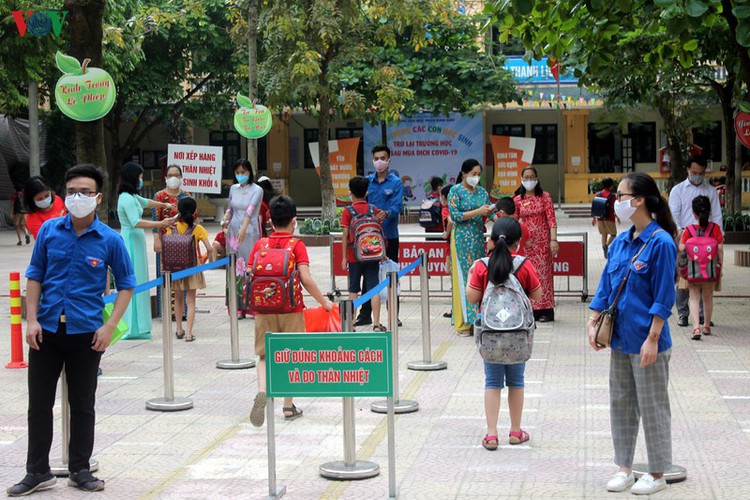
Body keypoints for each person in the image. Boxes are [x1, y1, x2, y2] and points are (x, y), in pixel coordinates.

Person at [6, 164, 135, 496]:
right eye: (74, 192)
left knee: (82, 404)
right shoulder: (49, 231)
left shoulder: (110, 239)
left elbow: (126, 285)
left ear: (98, 197)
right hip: (46, 331)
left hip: (86, 334)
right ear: (65, 195)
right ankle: (37, 471)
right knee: (39, 404)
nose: (80, 197)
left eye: (86, 192)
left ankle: (80, 468)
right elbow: (35, 275)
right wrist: (31, 320)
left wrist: (109, 326)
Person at [587, 172, 678, 496]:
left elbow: (664, 296)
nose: (617, 202)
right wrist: (594, 318)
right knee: (621, 404)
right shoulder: (622, 241)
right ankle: (624, 468)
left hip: (648, 341)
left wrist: (653, 338)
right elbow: (606, 286)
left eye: (622, 196)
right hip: (620, 340)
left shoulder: (662, 243)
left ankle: (656, 473)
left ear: (639, 200)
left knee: (653, 406)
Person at [249, 195, 333, 427]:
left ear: (270, 221)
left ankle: (263, 391)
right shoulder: (296, 245)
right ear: (294, 221)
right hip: (291, 308)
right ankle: (287, 406)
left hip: (263, 310)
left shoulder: (260, 245)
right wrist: (325, 303)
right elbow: (305, 278)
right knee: (291, 355)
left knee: (264, 355)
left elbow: (248, 275)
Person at [466, 217, 541, 451]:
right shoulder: (523, 264)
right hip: (517, 334)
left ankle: (491, 435)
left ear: (490, 240)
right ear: (517, 242)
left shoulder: (481, 265)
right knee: (517, 382)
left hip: (491, 335)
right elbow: (537, 296)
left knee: (492, 383)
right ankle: (516, 431)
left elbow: (472, 298)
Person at [117, 162, 176, 340]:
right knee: (132, 281)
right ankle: (131, 327)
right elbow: (136, 222)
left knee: (141, 280)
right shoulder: (125, 198)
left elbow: (146, 203)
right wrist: (160, 224)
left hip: (138, 240)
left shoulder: (133, 196)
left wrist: (164, 206)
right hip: (130, 240)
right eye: (140, 178)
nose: (141, 181)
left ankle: (140, 326)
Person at [667, 155, 723, 327]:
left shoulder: (711, 191)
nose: (697, 175)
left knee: (704, 276)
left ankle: (702, 316)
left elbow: (717, 216)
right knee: (685, 277)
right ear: (687, 170)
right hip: (685, 237)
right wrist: (680, 232)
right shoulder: (678, 190)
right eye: (694, 172)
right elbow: (673, 215)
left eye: (700, 173)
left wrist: (718, 236)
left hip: (707, 241)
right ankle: (684, 314)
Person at [356, 145, 403, 327]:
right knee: (368, 276)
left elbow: (397, 206)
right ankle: (365, 314)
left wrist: (386, 213)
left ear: (389, 160)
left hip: (389, 236)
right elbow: (361, 203)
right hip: (369, 238)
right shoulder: (367, 182)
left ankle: (394, 315)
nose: (379, 162)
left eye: (382, 158)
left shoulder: (396, 182)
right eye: (376, 158)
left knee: (391, 275)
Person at [448, 159, 495, 336]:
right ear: (464, 174)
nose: (476, 177)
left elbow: (491, 212)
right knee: (463, 277)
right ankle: (464, 322)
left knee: (477, 276)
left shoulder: (482, 192)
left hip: (476, 238)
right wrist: (478, 212)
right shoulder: (455, 191)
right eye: (473, 174)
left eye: (478, 174)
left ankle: (477, 318)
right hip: (460, 240)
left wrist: (500, 220)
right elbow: (455, 216)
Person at [513, 167, 558, 322]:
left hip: (543, 244)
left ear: (537, 178)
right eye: (526, 177)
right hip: (526, 245)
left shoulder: (544, 197)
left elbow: (551, 219)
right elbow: (514, 221)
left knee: (544, 276)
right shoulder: (518, 199)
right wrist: (521, 239)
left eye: (532, 177)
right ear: (521, 179)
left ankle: (546, 310)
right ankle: (530, 308)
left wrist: (553, 240)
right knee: (528, 275)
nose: (529, 180)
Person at [167, 197, 215, 342]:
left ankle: (179, 329)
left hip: (176, 269)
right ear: (194, 211)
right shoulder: (197, 228)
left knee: (178, 299)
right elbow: (210, 248)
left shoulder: (172, 228)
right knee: (191, 301)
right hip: (193, 267)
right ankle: (189, 333)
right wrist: (203, 260)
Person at [220, 159, 264, 319]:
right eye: (237, 172)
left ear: (250, 172)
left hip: (250, 231)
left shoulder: (257, 190)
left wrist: (244, 228)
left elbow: (250, 210)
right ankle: (236, 305)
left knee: (249, 264)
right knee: (233, 265)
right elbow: (230, 208)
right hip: (232, 232)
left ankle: (252, 304)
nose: (240, 175)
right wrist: (225, 219)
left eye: (244, 172)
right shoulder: (233, 188)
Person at [341, 176, 384, 331]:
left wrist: (344, 257)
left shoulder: (348, 211)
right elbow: (380, 233)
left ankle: (352, 322)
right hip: (373, 256)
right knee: (374, 288)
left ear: (351, 193)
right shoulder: (374, 210)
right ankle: (377, 323)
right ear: (366, 192)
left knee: (353, 290)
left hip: (354, 256)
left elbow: (345, 235)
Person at [679, 195, 723, 341]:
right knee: (708, 297)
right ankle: (706, 326)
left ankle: (695, 327)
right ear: (709, 212)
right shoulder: (715, 229)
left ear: (693, 212)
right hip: (710, 270)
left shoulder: (688, 230)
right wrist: (720, 268)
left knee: (694, 297)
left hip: (693, 270)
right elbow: (720, 249)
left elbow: (682, 248)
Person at [152, 164, 196, 257]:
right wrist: (156, 240)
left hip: (185, 239)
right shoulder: (159, 196)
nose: (173, 178)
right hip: (165, 239)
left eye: (177, 175)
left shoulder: (186, 195)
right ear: (165, 178)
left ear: (181, 177)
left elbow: (194, 217)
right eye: (170, 175)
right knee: (166, 268)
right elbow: (156, 220)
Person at [23, 176, 67, 240]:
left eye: (47, 195)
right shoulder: (32, 217)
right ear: (31, 200)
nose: (44, 200)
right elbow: (44, 240)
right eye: (39, 199)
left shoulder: (57, 200)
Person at [591, 177, 618, 258]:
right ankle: (606, 245)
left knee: (604, 234)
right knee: (613, 234)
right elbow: (614, 207)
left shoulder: (598, 194)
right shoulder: (612, 196)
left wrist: (594, 218)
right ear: (611, 185)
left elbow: (595, 206)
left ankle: (604, 250)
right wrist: (617, 216)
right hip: (609, 218)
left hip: (600, 218)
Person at [441, 184, 454, 319]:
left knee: (453, 279)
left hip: (452, 248)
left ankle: (454, 308)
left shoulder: (446, 209)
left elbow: (450, 221)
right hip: (453, 247)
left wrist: (447, 232)